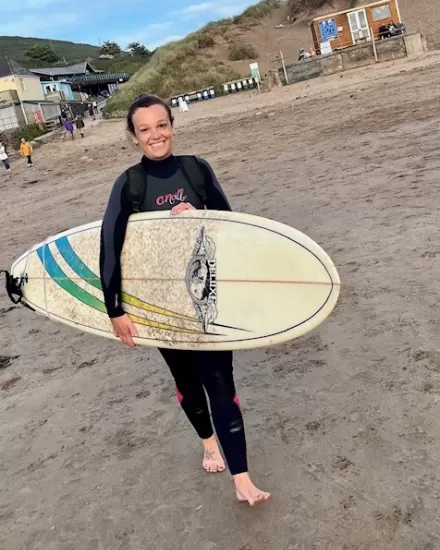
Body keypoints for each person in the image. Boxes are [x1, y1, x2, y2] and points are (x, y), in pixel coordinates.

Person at [99, 94, 270, 506]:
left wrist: (198, 214)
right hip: (161, 307)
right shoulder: (129, 184)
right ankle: (208, 442)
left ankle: (242, 478)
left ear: (172, 125)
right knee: (187, 385)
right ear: (133, 137)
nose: (156, 135)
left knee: (221, 385)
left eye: (162, 125)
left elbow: (230, 224)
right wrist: (115, 310)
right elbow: (109, 247)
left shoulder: (196, 170)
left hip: (206, 300)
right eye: (145, 129)